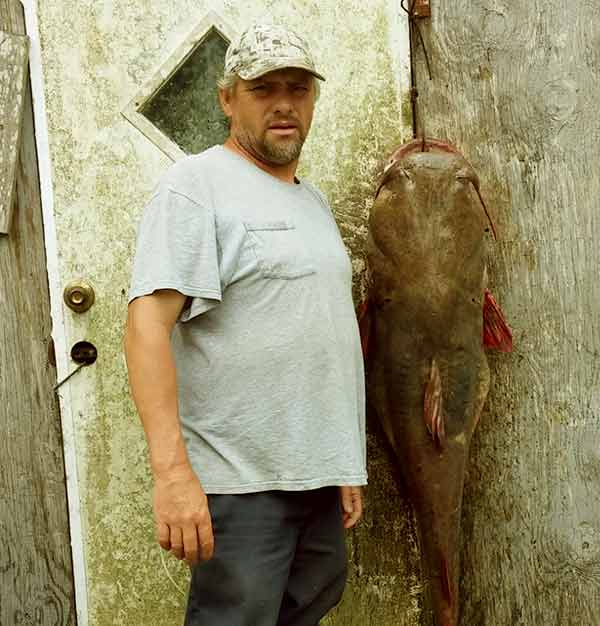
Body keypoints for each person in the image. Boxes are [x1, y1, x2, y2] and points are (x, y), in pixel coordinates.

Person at [124, 22, 367, 626]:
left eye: (298, 88)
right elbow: (146, 328)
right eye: (263, 89)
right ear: (227, 98)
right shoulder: (195, 189)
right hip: (239, 485)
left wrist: (338, 464)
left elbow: (314, 332)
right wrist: (173, 474)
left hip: (314, 480)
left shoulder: (311, 203)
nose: (284, 104)